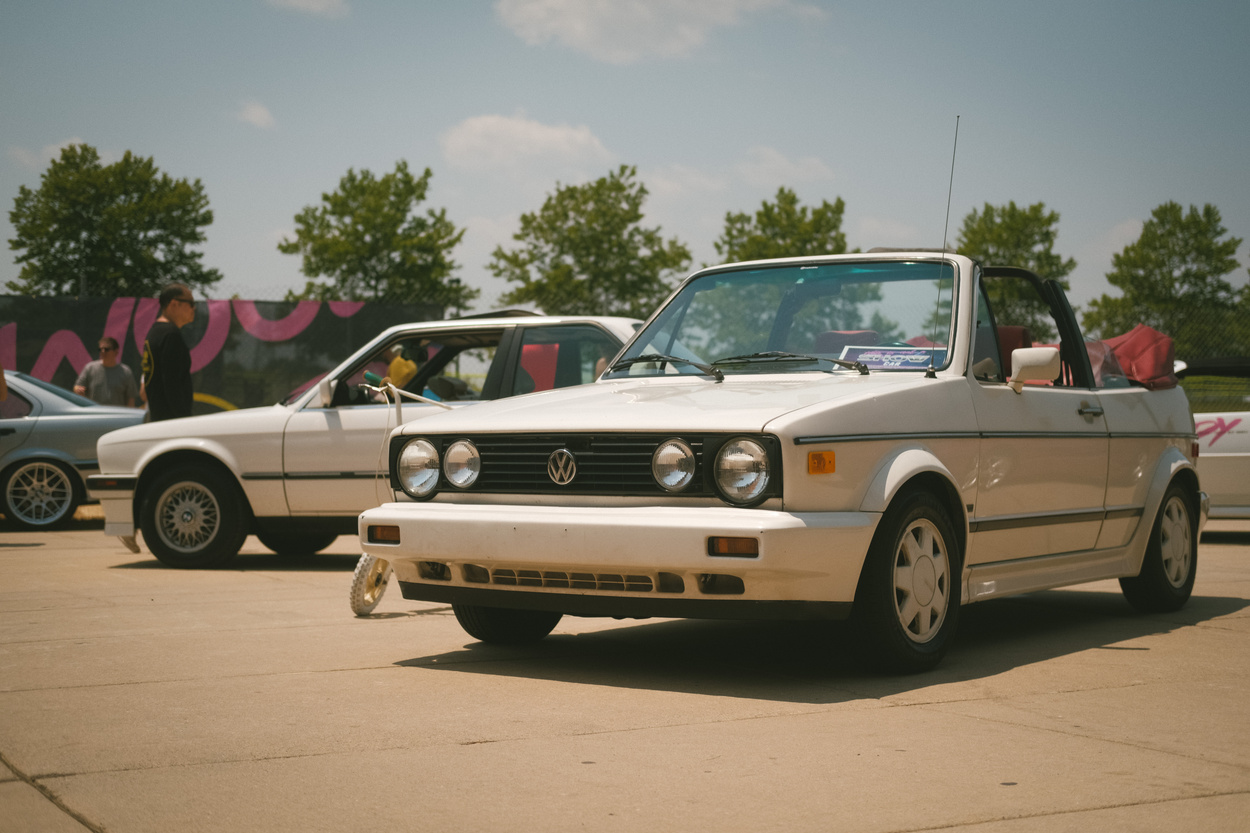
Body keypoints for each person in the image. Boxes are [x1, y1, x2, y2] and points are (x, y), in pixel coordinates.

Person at [142, 283, 196, 421]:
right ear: (174, 304)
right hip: (172, 422)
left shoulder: (155, 332)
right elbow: (172, 385)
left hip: (160, 418)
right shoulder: (170, 335)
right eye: (190, 303)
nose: (193, 308)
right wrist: (184, 419)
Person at [74, 336, 139, 406]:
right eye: (100, 349)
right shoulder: (89, 368)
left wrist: (130, 416)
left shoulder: (126, 372)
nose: (103, 351)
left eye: (106, 349)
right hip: (95, 414)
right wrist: (78, 389)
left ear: (116, 352)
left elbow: (131, 398)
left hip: (117, 416)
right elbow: (77, 387)